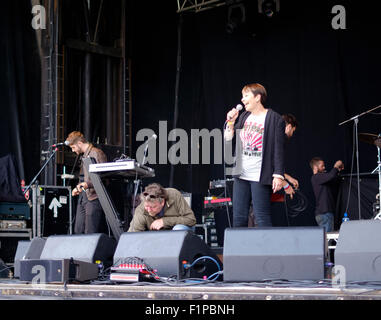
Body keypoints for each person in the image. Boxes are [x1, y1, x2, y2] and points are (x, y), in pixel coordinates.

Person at [224, 83, 285, 227]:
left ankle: (266, 249)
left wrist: (278, 175)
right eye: (242, 96)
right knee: (238, 216)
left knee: (261, 216)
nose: (242, 99)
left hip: (260, 174)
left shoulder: (274, 118)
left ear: (258, 97)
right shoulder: (244, 116)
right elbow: (228, 139)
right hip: (241, 173)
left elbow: (279, 149)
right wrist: (231, 123)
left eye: (246, 96)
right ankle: (239, 249)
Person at [66, 131, 107, 234]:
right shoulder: (84, 156)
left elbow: (104, 177)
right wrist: (78, 187)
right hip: (84, 197)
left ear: (79, 143)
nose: (73, 150)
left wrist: (86, 184)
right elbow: (84, 178)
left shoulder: (97, 153)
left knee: (90, 231)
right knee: (78, 230)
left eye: (73, 147)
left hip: (94, 197)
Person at [128, 183, 197, 232]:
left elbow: (191, 220)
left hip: (178, 230)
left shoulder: (174, 195)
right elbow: (133, 233)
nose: (148, 210)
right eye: (146, 206)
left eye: (153, 207)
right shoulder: (141, 210)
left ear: (162, 202)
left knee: (178, 229)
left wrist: (164, 221)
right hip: (157, 237)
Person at [310, 157, 344, 232]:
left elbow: (332, 178)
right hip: (324, 213)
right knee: (327, 240)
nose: (324, 168)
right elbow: (330, 176)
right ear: (315, 167)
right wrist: (336, 166)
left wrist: (337, 170)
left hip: (325, 213)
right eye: (322, 166)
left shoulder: (321, 178)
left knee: (327, 239)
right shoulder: (316, 177)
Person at [282, 113, 299, 199]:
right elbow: (269, 167)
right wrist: (285, 185)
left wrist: (289, 178)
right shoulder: (280, 140)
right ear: (289, 127)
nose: (292, 134)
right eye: (293, 130)